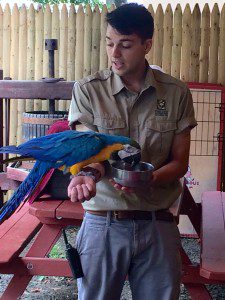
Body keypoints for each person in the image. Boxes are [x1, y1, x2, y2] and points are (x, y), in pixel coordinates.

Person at [68, 3, 197, 300]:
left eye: (125, 45)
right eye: (110, 43)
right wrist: (89, 173)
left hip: (157, 222)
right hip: (103, 222)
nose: (114, 53)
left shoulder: (176, 93)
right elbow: (92, 152)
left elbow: (179, 163)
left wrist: (147, 180)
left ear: (146, 45)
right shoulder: (89, 91)